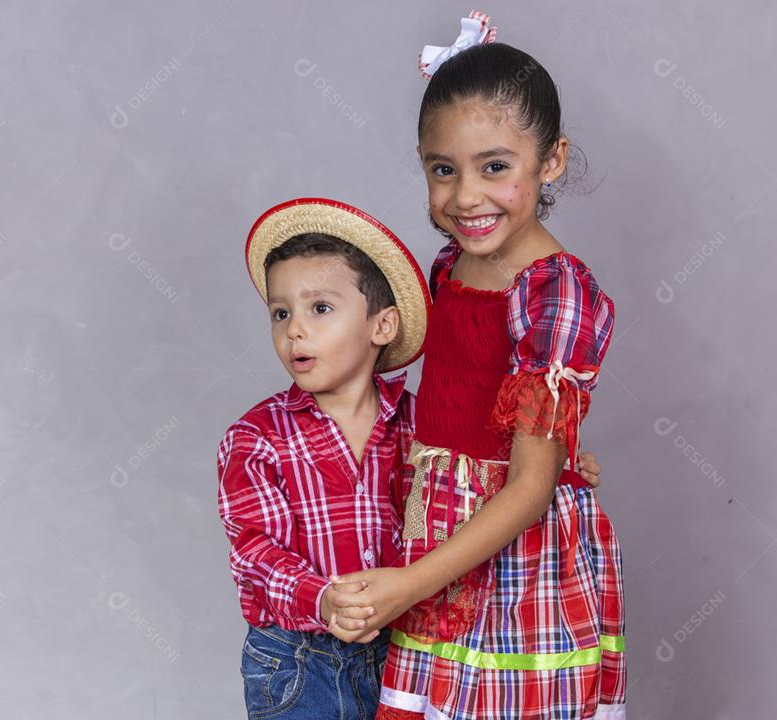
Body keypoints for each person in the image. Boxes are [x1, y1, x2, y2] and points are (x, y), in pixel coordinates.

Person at [327, 12, 627, 720]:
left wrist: (407, 585)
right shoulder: (445, 267)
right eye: (442, 170)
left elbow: (527, 489)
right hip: (436, 520)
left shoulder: (555, 289)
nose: (465, 196)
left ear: (550, 161)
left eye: (495, 167)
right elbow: (449, 397)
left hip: (512, 551)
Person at [216, 198, 605, 719]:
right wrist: (323, 600)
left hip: (397, 649)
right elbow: (255, 552)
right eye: (280, 312)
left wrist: (559, 469)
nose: (295, 330)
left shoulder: (417, 430)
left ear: (382, 327)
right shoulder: (256, 437)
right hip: (297, 659)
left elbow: (469, 489)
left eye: (320, 309)